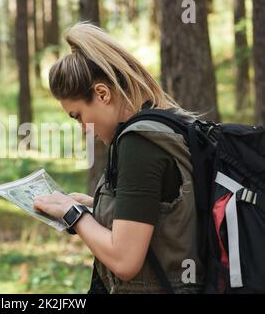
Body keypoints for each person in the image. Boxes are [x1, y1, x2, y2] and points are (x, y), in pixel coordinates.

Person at [33, 22, 206, 294]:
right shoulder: (166, 124)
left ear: (102, 94)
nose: (83, 130)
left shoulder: (140, 143)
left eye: (78, 116)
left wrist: (73, 214)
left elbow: (125, 261)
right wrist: (98, 207)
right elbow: (165, 216)